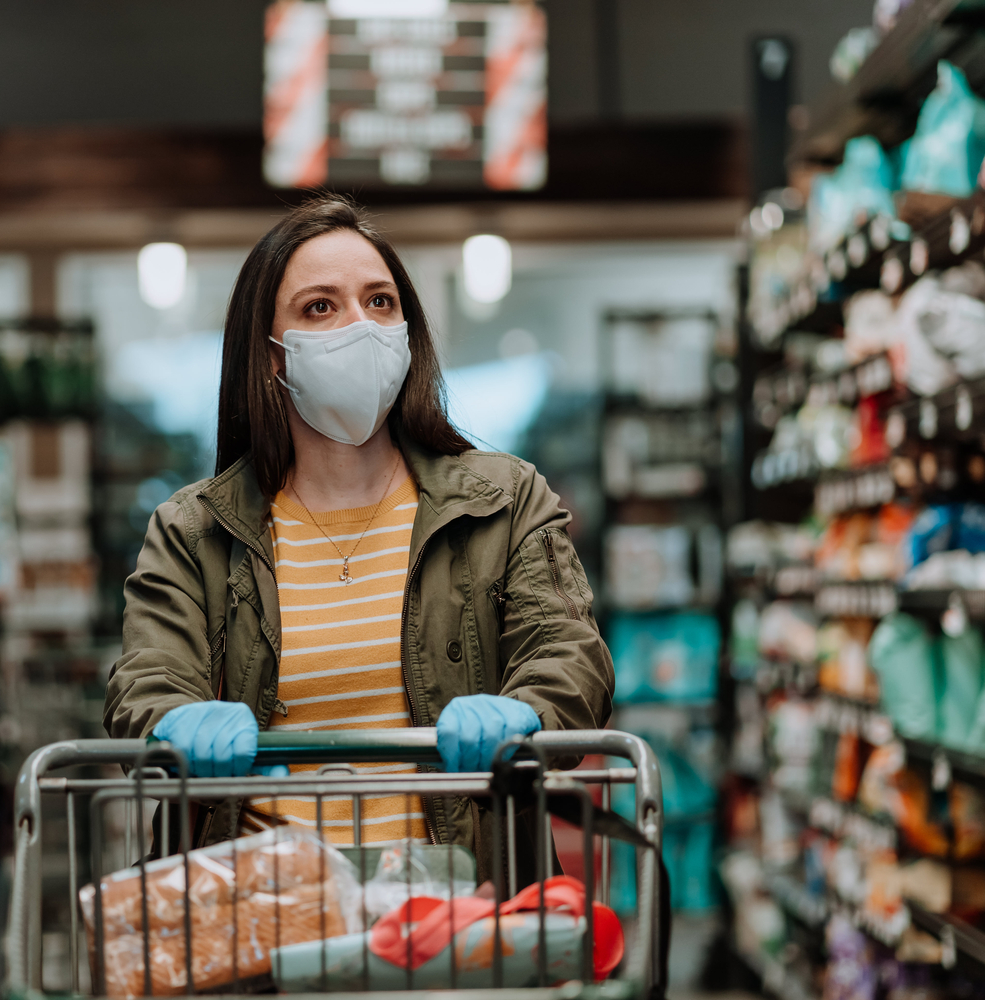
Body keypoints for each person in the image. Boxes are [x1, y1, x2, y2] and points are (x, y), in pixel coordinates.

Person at [104, 196, 613, 852]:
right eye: (321, 307)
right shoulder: (194, 532)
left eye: (380, 303)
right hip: (265, 922)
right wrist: (175, 719)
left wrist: (528, 710)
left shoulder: (503, 502)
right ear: (272, 356)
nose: (361, 327)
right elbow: (148, 677)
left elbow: (571, 654)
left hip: (454, 921)